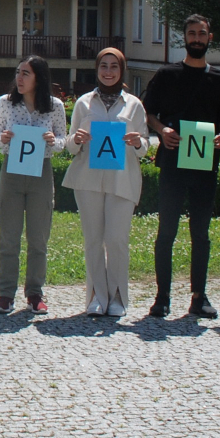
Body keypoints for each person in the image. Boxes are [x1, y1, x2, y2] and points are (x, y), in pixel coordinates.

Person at [143, 14, 220, 319]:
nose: (197, 39)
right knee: (166, 231)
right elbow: (147, 111)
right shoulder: (166, 74)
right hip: (173, 162)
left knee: (201, 233)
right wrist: (162, 130)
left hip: (205, 164)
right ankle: (162, 297)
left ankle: (199, 296)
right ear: (184, 38)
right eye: (192, 33)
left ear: (210, 38)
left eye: (202, 33)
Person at [62, 48, 149, 317]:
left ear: (122, 70)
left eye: (114, 66)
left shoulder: (134, 104)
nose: (108, 71)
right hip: (88, 180)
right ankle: (96, 297)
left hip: (122, 180)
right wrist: (76, 139)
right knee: (93, 240)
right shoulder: (83, 103)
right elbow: (69, 145)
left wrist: (138, 142)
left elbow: (145, 147)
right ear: (97, 69)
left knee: (116, 240)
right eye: (104, 66)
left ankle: (118, 297)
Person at [0, 55, 68, 315]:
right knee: (9, 237)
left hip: (40, 172)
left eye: (26, 73)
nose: (19, 78)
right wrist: (3, 138)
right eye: (18, 72)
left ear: (39, 78)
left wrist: (53, 141)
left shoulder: (55, 106)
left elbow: (63, 139)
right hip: (11, 171)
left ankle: (35, 293)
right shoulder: (6, 102)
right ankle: (5, 294)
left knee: (38, 238)